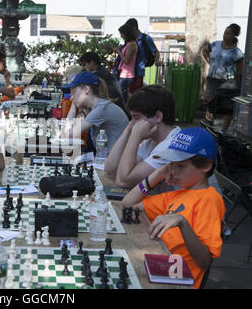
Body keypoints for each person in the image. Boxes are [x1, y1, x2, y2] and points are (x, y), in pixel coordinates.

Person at [119, 127, 225, 289]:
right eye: (171, 164)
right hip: (159, 268)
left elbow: (205, 261)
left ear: (205, 166)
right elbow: (127, 203)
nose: (173, 171)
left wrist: (183, 222)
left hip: (177, 282)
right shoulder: (176, 195)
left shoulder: (210, 199)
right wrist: (159, 173)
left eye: (180, 166)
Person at [104, 85, 181, 193]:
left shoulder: (171, 146)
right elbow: (110, 168)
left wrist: (135, 136)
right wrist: (128, 130)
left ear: (158, 117)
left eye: (136, 118)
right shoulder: (151, 140)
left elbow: (123, 181)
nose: (132, 124)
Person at [61, 71, 129, 153]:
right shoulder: (97, 107)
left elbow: (67, 136)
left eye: (73, 92)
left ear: (86, 89)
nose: (71, 98)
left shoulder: (101, 108)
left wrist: (73, 108)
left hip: (117, 162)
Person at [201, 23, 244, 131]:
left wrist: (237, 83)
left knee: (227, 108)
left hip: (227, 82)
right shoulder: (215, 44)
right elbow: (204, 51)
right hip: (212, 79)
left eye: (228, 33)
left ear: (234, 36)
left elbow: (240, 70)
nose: (225, 35)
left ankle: (223, 130)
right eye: (225, 32)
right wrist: (209, 60)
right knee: (211, 105)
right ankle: (209, 127)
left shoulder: (236, 52)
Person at [124, 18, 160, 94]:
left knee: (136, 93)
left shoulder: (146, 38)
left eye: (129, 29)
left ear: (134, 27)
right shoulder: (129, 39)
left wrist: (157, 60)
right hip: (128, 71)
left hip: (139, 71)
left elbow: (156, 52)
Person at [113, 24, 138, 104]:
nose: (121, 36)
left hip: (127, 74)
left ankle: (125, 113)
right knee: (122, 95)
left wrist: (119, 52)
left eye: (122, 34)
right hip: (124, 73)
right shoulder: (129, 43)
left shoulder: (132, 44)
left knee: (121, 96)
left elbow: (126, 60)